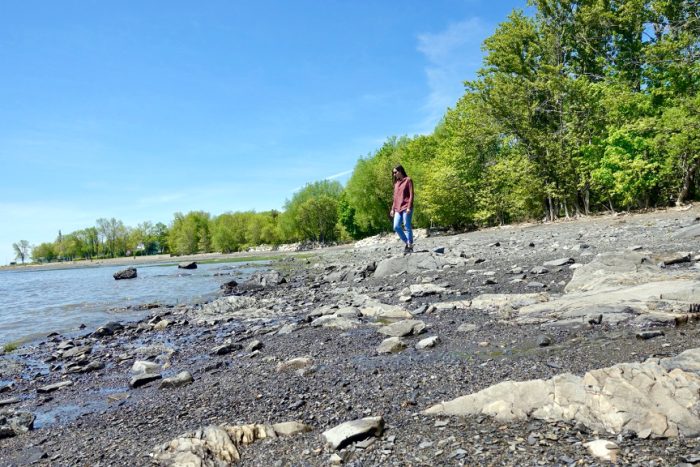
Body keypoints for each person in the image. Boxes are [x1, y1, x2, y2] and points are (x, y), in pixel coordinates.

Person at [390, 164, 414, 253]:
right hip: (397, 208)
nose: (394, 174)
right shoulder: (396, 184)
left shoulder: (408, 180)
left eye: (395, 172)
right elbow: (395, 198)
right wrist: (392, 209)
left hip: (406, 207)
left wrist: (408, 207)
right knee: (396, 226)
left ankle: (410, 245)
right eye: (393, 173)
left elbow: (411, 195)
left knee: (407, 226)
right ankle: (407, 242)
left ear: (400, 171)